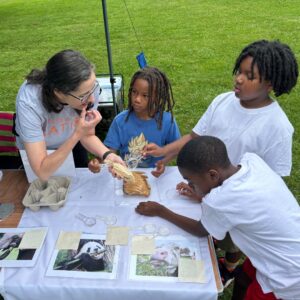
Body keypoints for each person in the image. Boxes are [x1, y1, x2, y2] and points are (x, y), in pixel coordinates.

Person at [142, 39, 299, 282]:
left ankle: (230, 265)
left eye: (249, 75)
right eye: (239, 71)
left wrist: (213, 198)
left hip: (237, 205)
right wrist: (165, 152)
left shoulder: (278, 127)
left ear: (270, 83)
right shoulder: (222, 101)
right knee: (212, 233)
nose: (238, 79)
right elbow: (195, 137)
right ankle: (217, 252)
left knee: (231, 240)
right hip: (209, 191)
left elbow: (272, 181)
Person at [136, 136, 300, 299]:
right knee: (243, 278)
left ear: (213, 175)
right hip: (285, 245)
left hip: (287, 275)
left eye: (191, 180)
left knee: (253, 293)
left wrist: (161, 211)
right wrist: (201, 193)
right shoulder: (252, 161)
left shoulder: (219, 200)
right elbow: (240, 204)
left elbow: (201, 230)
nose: (191, 185)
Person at [14, 49, 123, 181]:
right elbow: (41, 170)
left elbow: (87, 135)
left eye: (93, 89)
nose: (92, 100)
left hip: (71, 140)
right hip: (38, 151)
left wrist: (107, 155)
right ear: (59, 92)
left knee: (76, 186)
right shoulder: (29, 102)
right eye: (83, 96)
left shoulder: (87, 88)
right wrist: (77, 134)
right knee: (42, 191)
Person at [88, 67, 181, 176]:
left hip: (156, 176)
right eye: (134, 92)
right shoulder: (120, 121)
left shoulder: (167, 121)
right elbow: (110, 152)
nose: (137, 99)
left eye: (145, 95)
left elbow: (176, 148)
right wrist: (99, 162)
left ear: (157, 97)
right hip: (126, 174)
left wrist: (163, 162)